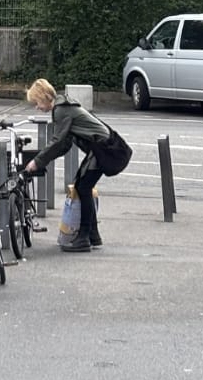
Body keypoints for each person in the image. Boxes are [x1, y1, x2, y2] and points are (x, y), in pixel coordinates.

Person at [24, 78, 129, 253]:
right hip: (104, 146)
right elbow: (64, 144)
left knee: (83, 188)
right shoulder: (64, 106)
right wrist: (45, 160)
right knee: (82, 186)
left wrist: (37, 161)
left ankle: (83, 238)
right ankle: (92, 235)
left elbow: (58, 141)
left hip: (102, 148)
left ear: (44, 97)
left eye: (36, 102)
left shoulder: (61, 110)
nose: (36, 107)